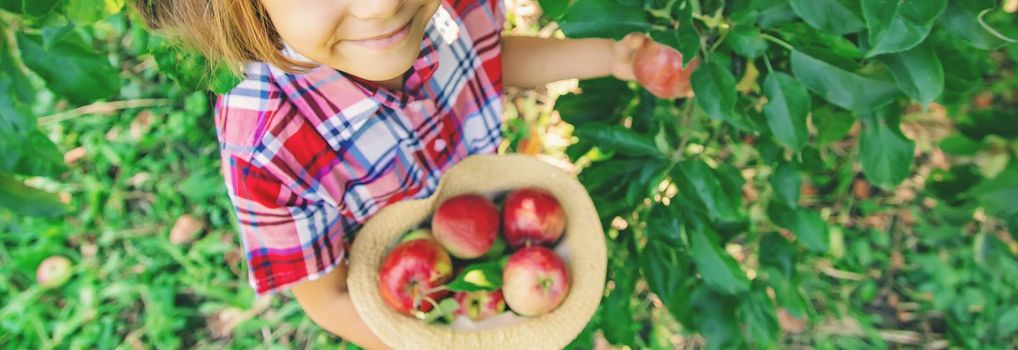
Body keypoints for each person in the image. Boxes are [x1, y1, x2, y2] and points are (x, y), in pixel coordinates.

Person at [134, 0, 686, 348]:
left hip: (466, 202)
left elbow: (489, 57)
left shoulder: (447, 7)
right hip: (400, 260)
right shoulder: (268, 147)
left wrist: (612, 59)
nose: (380, 7)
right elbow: (327, 298)